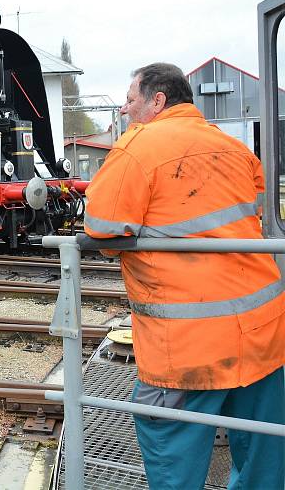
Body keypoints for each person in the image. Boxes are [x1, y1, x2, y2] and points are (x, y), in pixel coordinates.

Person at [84, 63, 285, 489]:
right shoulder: (234, 147)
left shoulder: (138, 147)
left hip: (189, 346)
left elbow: (101, 225)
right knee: (264, 465)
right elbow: (256, 215)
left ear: (157, 101)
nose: (124, 109)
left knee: (173, 456)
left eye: (130, 99)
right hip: (263, 333)